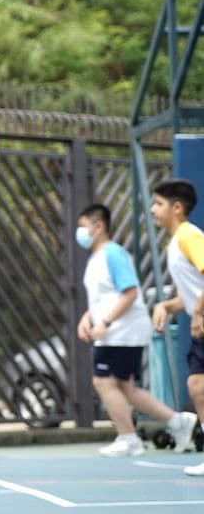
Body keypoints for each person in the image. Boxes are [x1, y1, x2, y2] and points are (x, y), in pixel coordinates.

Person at [75, 203, 197, 457]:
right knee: (125, 388)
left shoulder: (113, 254)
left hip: (122, 332)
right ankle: (178, 422)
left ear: (98, 227)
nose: (80, 233)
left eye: (83, 227)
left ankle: (129, 438)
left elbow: (130, 292)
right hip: (115, 331)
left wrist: (105, 323)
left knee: (103, 382)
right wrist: (88, 318)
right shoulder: (95, 258)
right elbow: (104, 297)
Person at [149, 180, 204, 475]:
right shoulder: (176, 243)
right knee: (197, 385)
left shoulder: (188, 235)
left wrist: (199, 312)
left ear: (177, 208)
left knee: (197, 384)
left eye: (158, 204)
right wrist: (167, 306)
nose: (152, 210)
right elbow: (191, 293)